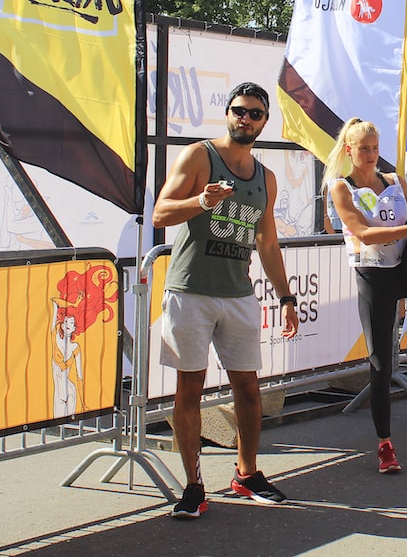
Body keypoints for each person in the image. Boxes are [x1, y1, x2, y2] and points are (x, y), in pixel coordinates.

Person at [152, 82, 299, 519]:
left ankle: (247, 474)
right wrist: (201, 200)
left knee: (249, 390)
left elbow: (267, 243)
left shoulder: (266, 178)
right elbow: (160, 213)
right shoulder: (199, 156)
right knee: (189, 390)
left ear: (264, 122)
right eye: (239, 110)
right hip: (191, 291)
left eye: (255, 114)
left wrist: (286, 296)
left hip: (237, 294)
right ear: (228, 112)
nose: (245, 119)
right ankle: (193, 486)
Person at [326, 118, 407, 473]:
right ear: (349, 150)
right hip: (373, 275)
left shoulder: (394, 181)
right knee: (381, 362)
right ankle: (385, 444)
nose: (370, 155)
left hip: (404, 268)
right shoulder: (342, 188)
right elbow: (364, 233)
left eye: (375, 148)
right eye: (363, 149)